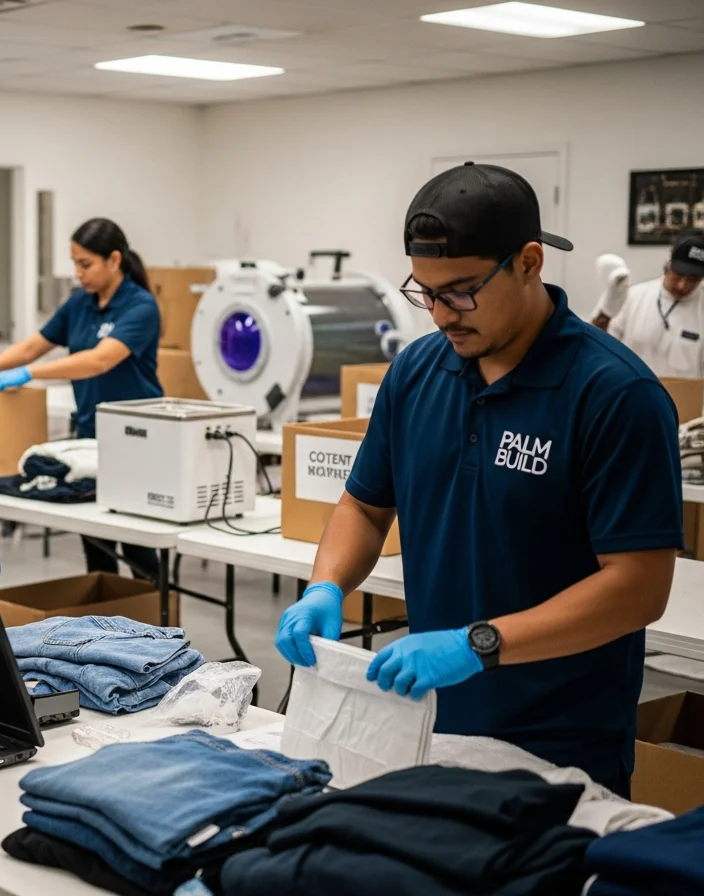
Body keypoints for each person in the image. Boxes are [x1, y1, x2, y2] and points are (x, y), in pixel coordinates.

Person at [274, 162, 681, 797]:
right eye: (425, 292)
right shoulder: (417, 372)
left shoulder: (614, 395)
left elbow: (638, 588)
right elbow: (363, 505)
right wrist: (326, 587)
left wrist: (479, 644)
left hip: (558, 751)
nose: (440, 314)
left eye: (461, 292)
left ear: (528, 262)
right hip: (426, 724)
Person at [0, 218, 163, 579]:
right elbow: (35, 345)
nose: (78, 273)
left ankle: (155, 621)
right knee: (94, 541)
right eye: (75, 263)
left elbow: (100, 359)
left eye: (85, 264)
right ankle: (109, 623)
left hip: (137, 438)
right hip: (89, 434)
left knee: (137, 545)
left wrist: (31, 373)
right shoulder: (79, 304)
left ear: (114, 260)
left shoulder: (141, 307)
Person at [591, 231, 704, 377]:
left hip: (686, 397)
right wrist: (607, 308)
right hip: (631, 393)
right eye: (679, 275)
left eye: (692, 279)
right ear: (668, 264)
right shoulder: (633, 297)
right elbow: (595, 345)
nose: (682, 285)